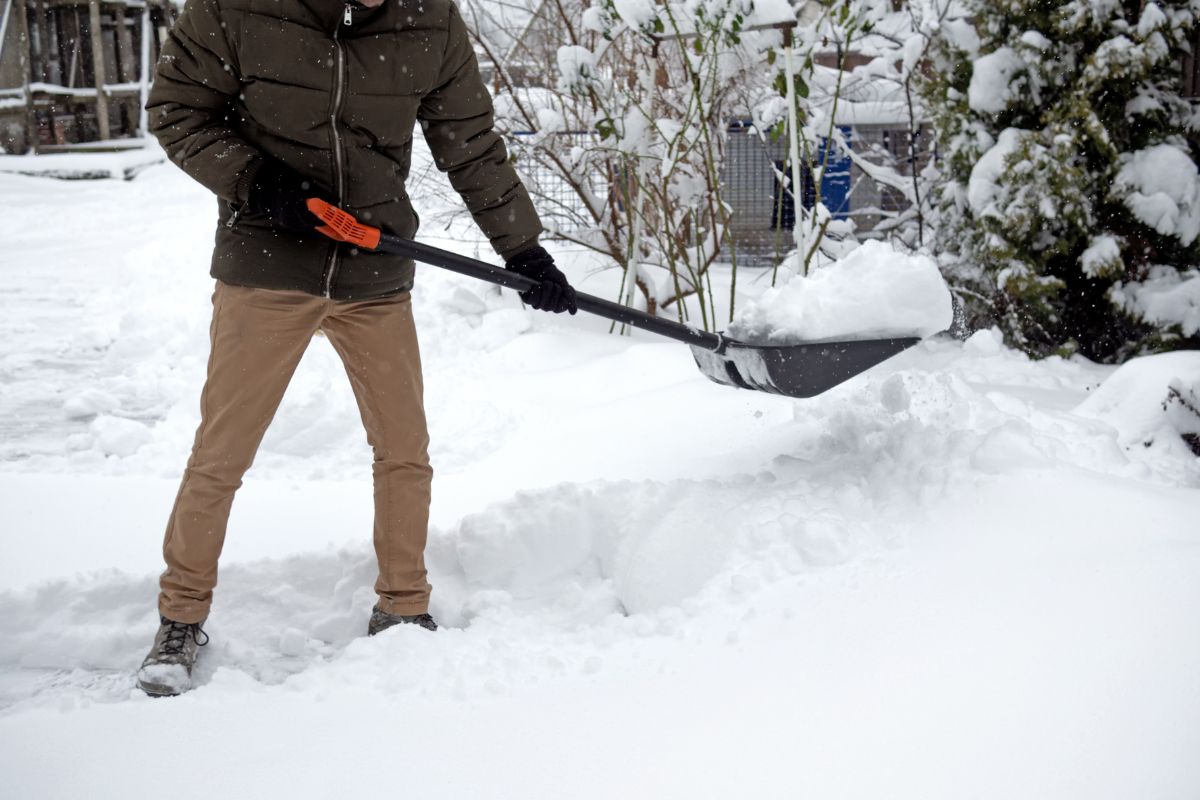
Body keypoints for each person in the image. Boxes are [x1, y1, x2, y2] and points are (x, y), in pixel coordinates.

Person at [135, 0, 577, 697]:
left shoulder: (429, 20)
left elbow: (469, 140)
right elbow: (176, 110)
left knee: (405, 449)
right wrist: (258, 183)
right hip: (268, 265)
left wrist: (522, 249)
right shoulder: (238, 6)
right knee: (222, 454)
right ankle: (179, 619)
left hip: (374, 268)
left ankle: (403, 607)